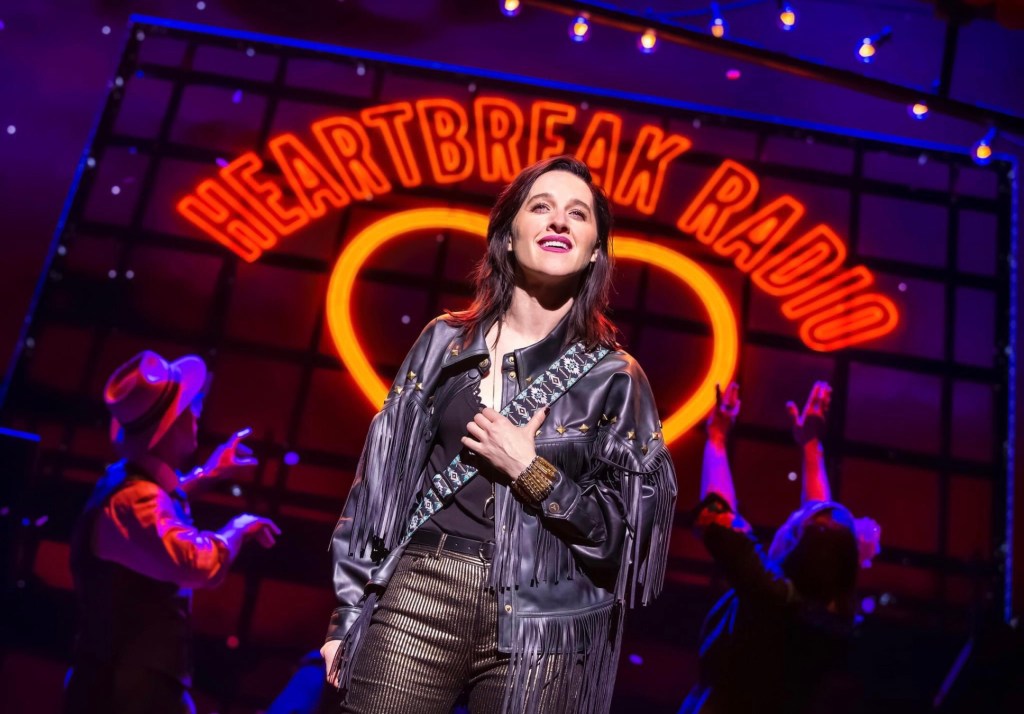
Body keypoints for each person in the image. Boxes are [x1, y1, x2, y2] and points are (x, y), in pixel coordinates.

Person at [320, 155, 677, 714]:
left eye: (578, 214)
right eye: (541, 207)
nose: (558, 221)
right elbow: (378, 489)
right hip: (421, 594)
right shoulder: (445, 342)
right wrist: (346, 613)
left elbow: (631, 544)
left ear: (595, 251)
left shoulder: (616, 378)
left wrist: (533, 473)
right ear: (508, 236)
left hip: (548, 623)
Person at [65, 350, 282, 714]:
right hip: (124, 694)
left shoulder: (131, 488)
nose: (197, 413)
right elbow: (195, 563)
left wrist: (209, 474)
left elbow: (162, 504)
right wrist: (237, 529)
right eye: (189, 407)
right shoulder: (135, 502)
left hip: (131, 688)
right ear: (173, 425)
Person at [679, 381, 881, 714]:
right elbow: (820, 536)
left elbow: (716, 516)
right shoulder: (830, 611)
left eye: (794, 521)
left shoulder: (768, 593)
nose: (795, 513)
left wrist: (716, 437)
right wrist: (811, 446)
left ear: (791, 544)